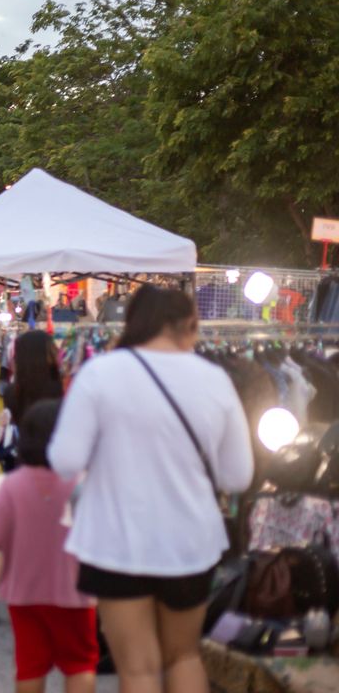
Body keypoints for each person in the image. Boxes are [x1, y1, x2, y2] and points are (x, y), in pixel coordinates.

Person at [49, 285, 252, 693]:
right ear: (190, 326)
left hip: (116, 541)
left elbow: (65, 460)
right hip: (191, 542)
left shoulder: (101, 373)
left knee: (138, 668)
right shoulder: (215, 379)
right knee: (185, 655)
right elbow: (237, 477)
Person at [0, 400, 97, 693]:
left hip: (23, 593)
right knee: (80, 663)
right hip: (75, 592)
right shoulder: (82, 483)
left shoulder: (11, 485)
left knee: (30, 664)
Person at [0, 329, 66, 623]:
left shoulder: (11, 390)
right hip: (53, 467)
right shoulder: (60, 388)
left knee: (13, 532)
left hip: (20, 464)